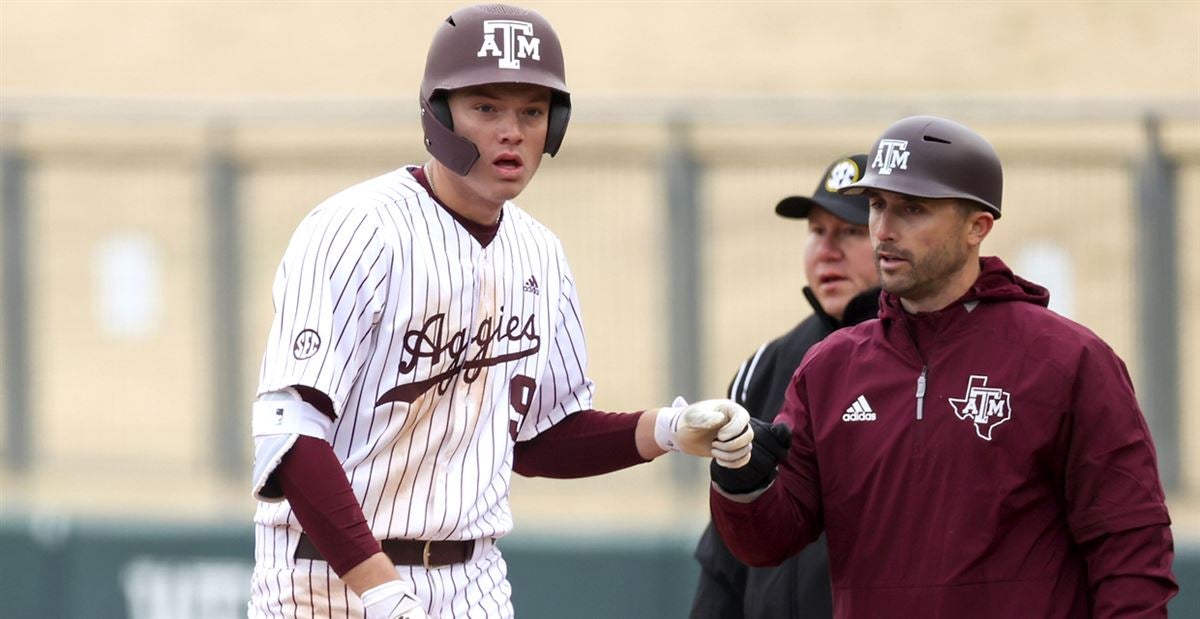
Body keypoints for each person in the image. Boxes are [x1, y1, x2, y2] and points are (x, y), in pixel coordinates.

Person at [245, 5, 752, 618]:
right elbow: (290, 431)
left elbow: (542, 437)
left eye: (532, 111)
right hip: (326, 580)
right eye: (486, 108)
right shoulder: (357, 229)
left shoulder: (539, 252)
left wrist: (667, 429)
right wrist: (380, 590)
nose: (511, 131)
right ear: (438, 116)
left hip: (472, 581)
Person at [708, 115, 1178, 617]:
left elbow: (1129, 544)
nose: (884, 230)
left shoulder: (1068, 360)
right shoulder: (828, 368)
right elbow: (770, 542)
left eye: (913, 208)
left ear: (978, 226)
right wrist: (744, 479)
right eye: (877, 205)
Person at [690, 154, 880, 619]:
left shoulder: (919, 368)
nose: (826, 250)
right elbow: (725, 556)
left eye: (850, 231)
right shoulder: (765, 366)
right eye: (817, 230)